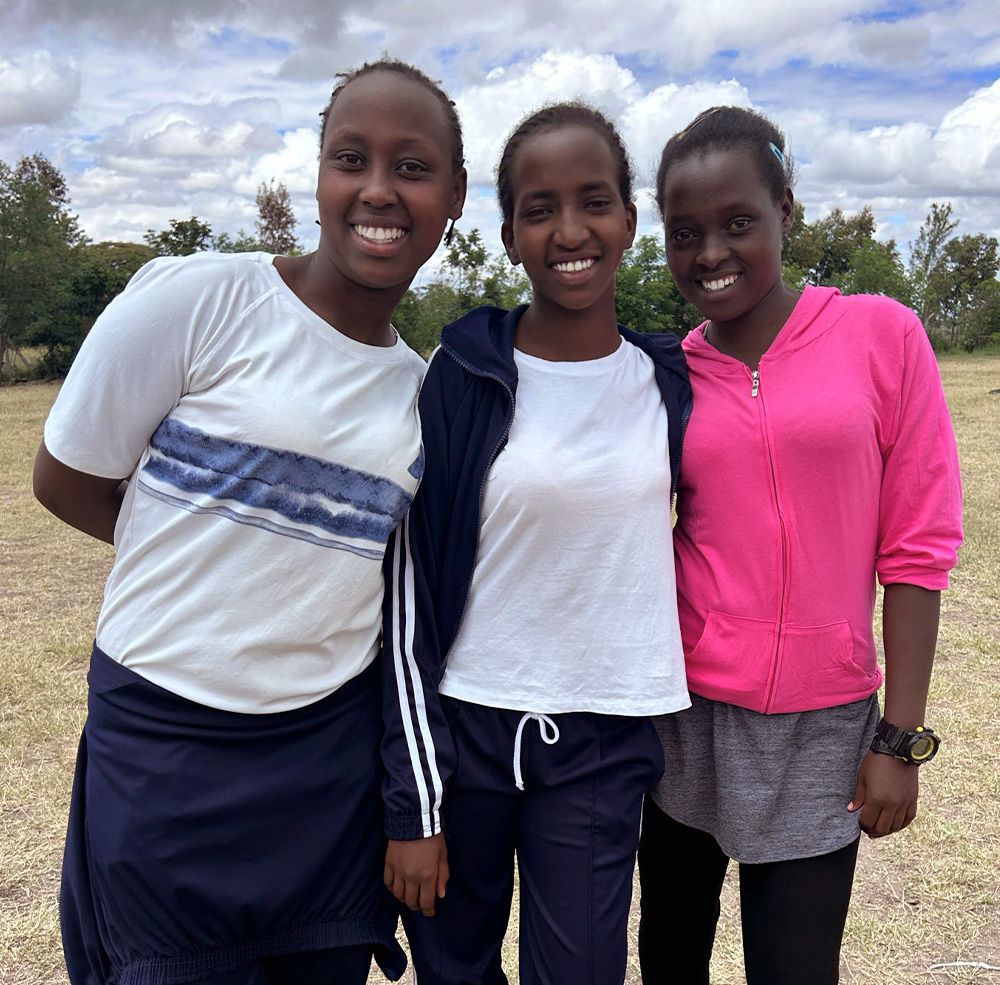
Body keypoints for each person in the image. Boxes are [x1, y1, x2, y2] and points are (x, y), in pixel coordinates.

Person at [32, 58, 466, 985]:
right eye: (352, 158)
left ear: (455, 197)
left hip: (324, 771)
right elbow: (64, 478)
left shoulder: (421, 393)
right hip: (164, 754)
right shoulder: (201, 299)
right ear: (319, 175)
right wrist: (212, 558)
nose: (379, 189)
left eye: (413, 166)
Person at [637, 105, 963, 985]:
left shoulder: (882, 335)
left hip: (823, 726)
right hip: (685, 718)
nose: (710, 253)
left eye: (738, 222)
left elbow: (918, 547)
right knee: (669, 958)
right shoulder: (667, 372)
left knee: (794, 968)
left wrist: (898, 738)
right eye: (686, 232)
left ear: (787, 209)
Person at [378, 102, 692, 985]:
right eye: (540, 208)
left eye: (594, 200)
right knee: (455, 971)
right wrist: (415, 797)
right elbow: (409, 588)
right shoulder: (463, 374)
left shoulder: (671, 380)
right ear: (510, 234)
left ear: (629, 220)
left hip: (600, 737)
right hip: (465, 735)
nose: (570, 230)